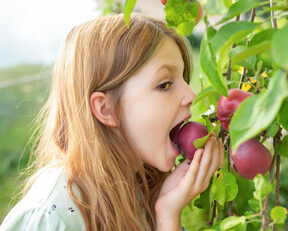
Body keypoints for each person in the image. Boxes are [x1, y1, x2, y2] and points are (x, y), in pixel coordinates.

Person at [0, 13, 224, 231]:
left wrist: (167, 214)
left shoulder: (140, 189)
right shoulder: (53, 219)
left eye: (184, 78)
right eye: (164, 84)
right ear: (106, 109)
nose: (192, 95)